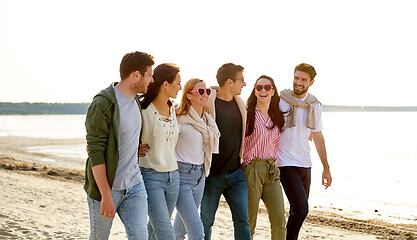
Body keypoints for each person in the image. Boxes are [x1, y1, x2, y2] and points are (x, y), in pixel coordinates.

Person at [84, 51, 154, 240]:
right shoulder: (102, 103)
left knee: (140, 236)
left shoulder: (135, 102)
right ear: (136, 75)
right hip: (107, 188)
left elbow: (123, 137)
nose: (152, 79)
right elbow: (95, 152)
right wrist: (106, 195)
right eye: (150, 75)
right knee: (100, 237)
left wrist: (133, 148)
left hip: (135, 185)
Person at [277, 63, 333, 240]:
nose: (298, 82)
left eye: (303, 79)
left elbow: (317, 136)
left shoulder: (314, 105)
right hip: (284, 162)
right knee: (301, 208)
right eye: (296, 77)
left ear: (311, 82)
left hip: (305, 163)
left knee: (298, 210)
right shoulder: (280, 99)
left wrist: (326, 168)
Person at [200, 63, 251, 240]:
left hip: (236, 175)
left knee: (243, 221)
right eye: (241, 80)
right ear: (229, 81)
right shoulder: (207, 103)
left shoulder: (240, 105)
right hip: (212, 176)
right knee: (206, 222)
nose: (244, 84)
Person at [173, 78, 221, 240]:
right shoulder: (179, 119)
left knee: (179, 231)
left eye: (207, 91)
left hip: (200, 176)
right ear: (188, 96)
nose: (205, 94)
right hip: (182, 177)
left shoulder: (207, 120)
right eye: (200, 91)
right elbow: (164, 142)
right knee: (196, 231)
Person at [139, 63, 182, 240]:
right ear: (165, 84)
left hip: (173, 177)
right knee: (165, 231)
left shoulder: (172, 108)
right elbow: (123, 135)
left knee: (154, 229)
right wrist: (134, 149)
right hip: (150, 176)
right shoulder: (142, 110)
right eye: (178, 83)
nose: (180, 87)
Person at [243, 75, 287, 240]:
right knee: (249, 221)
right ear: (254, 91)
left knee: (279, 219)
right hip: (251, 170)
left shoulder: (277, 116)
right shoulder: (247, 114)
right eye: (259, 87)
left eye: (267, 87)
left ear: (273, 91)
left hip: (271, 170)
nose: (263, 90)